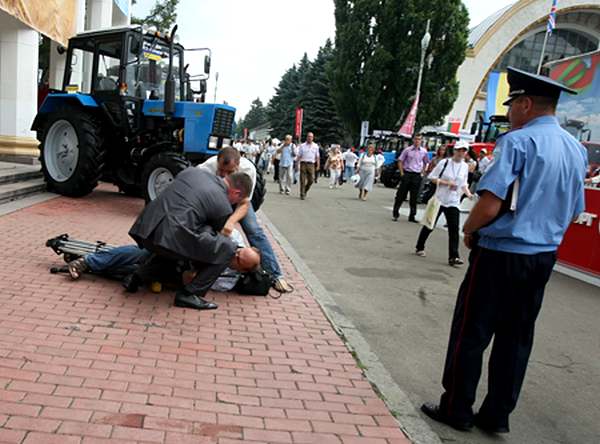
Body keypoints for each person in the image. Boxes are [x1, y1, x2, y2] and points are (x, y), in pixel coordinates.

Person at [421, 67, 587, 435]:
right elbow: (575, 209)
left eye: (512, 104)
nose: (509, 112)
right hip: (542, 258)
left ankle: (457, 409)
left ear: (526, 104)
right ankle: (496, 415)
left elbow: (491, 204)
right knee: (516, 337)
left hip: (500, 254)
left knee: (471, 332)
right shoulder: (575, 149)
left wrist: (468, 229)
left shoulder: (517, 142)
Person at [129, 168, 253, 310]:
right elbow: (215, 238)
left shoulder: (193, 171)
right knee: (227, 248)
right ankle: (189, 294)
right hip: (168, 239)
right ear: (236, 193)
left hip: (145, 228)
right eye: (237, 200)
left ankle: (137, 277)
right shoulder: (223, 206)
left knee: (183, 240)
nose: (233, 204)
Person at [199, 147, 294, 293]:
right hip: (215, 200)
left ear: (238, 165)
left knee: (254, 229)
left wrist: (230, 222)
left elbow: (244, 203)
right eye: (221, 171)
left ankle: (275, 275)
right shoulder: (206, 168)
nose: (224, 176)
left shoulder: (248, 169)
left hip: (239, 201)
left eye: (229, 172)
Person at [66, 230, 259, 294]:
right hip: (181, 250)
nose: (235, 255)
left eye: (238, 260)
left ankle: (99, 267)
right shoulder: (234, 238)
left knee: (138, 271)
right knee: (140, 253)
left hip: (175, 276)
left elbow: (190, 281)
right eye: (239, 252)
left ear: (242, 270)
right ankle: (86, 262)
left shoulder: (228, 281)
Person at [415, 141, 473, 266]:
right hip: (439, 198)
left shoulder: (464, 166)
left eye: (463, 151)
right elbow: (432, 177)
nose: (460, 153)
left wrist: (469, 194)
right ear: (454, 151)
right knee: (430, 224)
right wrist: (446, 183)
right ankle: (420, 246)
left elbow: (464, 183)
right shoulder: (445, 162)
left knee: (454, 229)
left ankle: (454, 256)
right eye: (458, 150)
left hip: (453, 201)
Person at [392, 134, 429, 222]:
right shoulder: (407, 150)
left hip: (416, 175)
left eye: (419, 139)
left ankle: (412, 215)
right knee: (401, 194)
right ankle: (396, 213)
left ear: (421, 141)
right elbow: (400, 161)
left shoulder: (424, 151)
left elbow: (426, 162)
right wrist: (402, 173)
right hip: (407, 173)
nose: (417, 141)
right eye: (416, 139)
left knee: (414, 196)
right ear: (413, 140)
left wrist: (422, 172)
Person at [297, 132, 320, 200]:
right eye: (308, 136)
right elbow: (299, 155)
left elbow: (317, 156)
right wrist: (296, 164)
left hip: (311, 164)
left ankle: (305, 190)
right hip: (303, 163)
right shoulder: (302, 145)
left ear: (313, 138)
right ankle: (302, 194)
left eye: (311, 137)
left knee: (311, 180)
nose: (310, 138)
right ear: (307, 137)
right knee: (302, 180)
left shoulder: (315, 146)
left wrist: (318, 165)